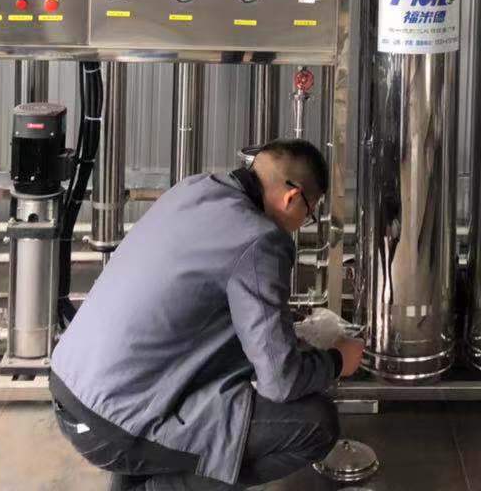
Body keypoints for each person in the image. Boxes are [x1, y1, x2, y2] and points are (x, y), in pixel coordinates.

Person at [50, 138, 364, 489]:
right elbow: (281, 381)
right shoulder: (260, 240)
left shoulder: (194, 189)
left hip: (72, 384)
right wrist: (337, 361)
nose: (303, 222)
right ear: (292, 198)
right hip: (113, 423)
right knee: (317, 424)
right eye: (310, 212)